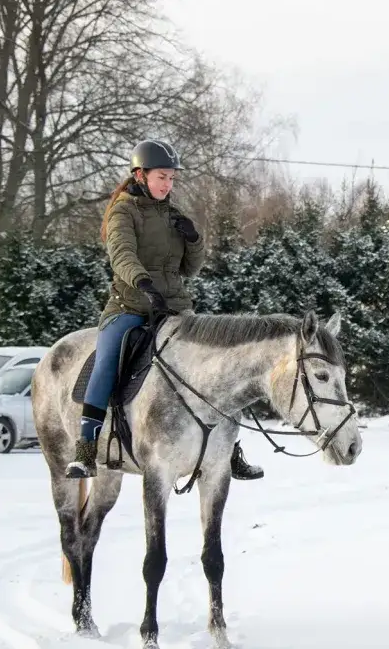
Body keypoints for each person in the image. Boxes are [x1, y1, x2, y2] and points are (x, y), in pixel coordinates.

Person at [65, 140, 265, 482]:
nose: (167, 184)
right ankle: (86, 448)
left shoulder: (174, 214)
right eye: (162, 177)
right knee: (106, 362)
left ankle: (229, 448)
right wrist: (144, 284)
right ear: (140, 175)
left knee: (216, 367)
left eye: (171, 179)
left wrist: (194, 240)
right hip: (129, 305)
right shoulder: (122, 212)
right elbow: (122, 255)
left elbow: (190, 269)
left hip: (175, 309)